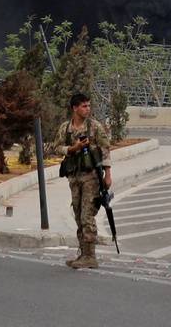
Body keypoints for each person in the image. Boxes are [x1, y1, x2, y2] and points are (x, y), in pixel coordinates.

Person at [57, 92, 113, 271]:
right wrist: (74, 148)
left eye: (89, 105)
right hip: (74, 176)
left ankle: (90, 256)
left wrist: (107, 174)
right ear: (74, 108)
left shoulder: (94, 127)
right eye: (84, 106)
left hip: (91, 177)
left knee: (87, 215)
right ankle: (83, 252)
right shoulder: (66, 128)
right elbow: (57, 147)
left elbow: (105, 149)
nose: (87, 109)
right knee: (78, 212)